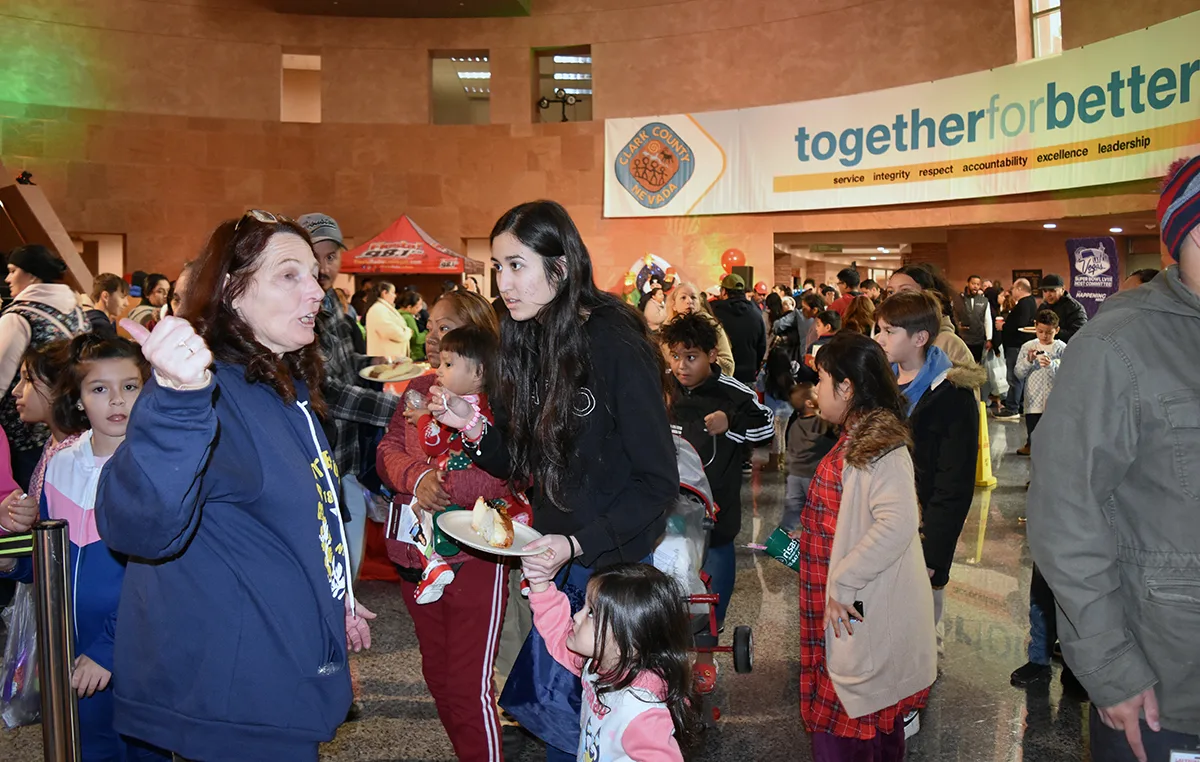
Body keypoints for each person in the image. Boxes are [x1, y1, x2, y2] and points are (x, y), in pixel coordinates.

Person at [95, 211, 374, 761]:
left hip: (277, 677)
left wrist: (332, 596)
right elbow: (139, 527)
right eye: (288, 275)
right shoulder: (205, 389)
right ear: (232, 290)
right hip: (235, 698)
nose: (316, 290)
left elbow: (291, 519)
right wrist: (176, 399)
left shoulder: (279, 383)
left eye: (314, 274)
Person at [430, 200, 677, 760]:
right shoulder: (525, 337)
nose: (504, 282)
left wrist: (576, 544)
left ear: (560, 267)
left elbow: (657, 481)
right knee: (562, 727)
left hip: (609, 567)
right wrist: (472, 426)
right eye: (498, 267)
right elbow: (522, 463)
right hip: (553, 557)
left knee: (610, 728)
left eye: (517, 265)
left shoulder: (614, 340)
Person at [1029, 154, 1200, 762]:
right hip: (1168, 688)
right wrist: (1110, 665)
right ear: (1188, 236)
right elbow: (1063, 513)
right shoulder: (1118, 345)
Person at [376, 289, 521, 761]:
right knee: (438, 677)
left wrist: (446, 486)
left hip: (473, 555)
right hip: (415, 553)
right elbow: (387, 452)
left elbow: (511, 472)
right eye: (432, 327)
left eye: (446, 328)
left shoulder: (502, 400)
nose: (434, 339)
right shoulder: (418, 389)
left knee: (467, 682)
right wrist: (416, 479)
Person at [0, 334, 159, 761]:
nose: (116, 401)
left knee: (147, 750)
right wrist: (14, 560)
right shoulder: (60, 464)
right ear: (78, 398)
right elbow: (52, 563)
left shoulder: (156, 469)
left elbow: (161, 575)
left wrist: (108, 649)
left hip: (142, 653)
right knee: (90, 749)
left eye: (129, 386)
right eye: (99, 389)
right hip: (73, 654)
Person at [798, 332, 936, 758]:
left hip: (855, 606)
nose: (814, 391)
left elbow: (898, 523)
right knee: (858, 717)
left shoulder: (879, 447)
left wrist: (843, 581)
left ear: (846, 387)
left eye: (821, 380)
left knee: (853, 723)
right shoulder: (857, 439)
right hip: (842, 605)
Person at [874, 291, 983, 657]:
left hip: (922, 525)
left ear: (919, 338)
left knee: (919, 632)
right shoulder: (878, 385)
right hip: (879, 518)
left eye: (889, 331)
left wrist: (935, 553)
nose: (879, 339)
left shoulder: (951, 393)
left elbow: (954, 481)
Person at [299, 213, 400, 573]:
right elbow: (326, 390)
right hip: (316, 464)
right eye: (316, 257)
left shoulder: (332, 304)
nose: (324, 268)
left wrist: (379, 361)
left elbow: (343, 363)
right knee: (327, 572)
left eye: (331, 257)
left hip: (348, 459)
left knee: (350, 567)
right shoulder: (297, 310)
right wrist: (398, 407)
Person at [522, 562, 700, 761]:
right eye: (584, 606)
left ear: (626, 640)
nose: (577, 616)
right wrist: (540, 585)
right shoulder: (599, 664)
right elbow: (558, 635)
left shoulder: (640, 710)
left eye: (591, 613)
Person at [406, 325, 532, 603]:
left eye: (449, 364)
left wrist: (424, 418)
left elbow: (432, 443)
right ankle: (530, 572)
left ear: (479, 372)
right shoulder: (491, 405)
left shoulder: (453, 406)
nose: (439, 369)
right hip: (488, 491)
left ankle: (433, 562)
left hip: (461, 487)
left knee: (422, 509)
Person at [660, 313, 773, 626]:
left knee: (717, 550)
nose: (682, 365)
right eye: (676, 357)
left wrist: (731, 422)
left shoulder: (734, 392)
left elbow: (766, 429)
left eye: (692, 357)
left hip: (716, 500)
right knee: (669, 558)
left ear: (711, 355)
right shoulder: (662, 387)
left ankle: (713, 626)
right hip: (668, 499)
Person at [0, 244, 89, 489]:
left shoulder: (18, 316)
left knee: (27, 503)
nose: (8, 278)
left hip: (22, 434)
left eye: (12, 270)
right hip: (70, 425)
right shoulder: (78, 312)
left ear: (32, 274)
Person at [0, 343, 76, 536]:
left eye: (27, 379)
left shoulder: (75, 455)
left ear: (59, 387)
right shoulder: (53, 445)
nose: (16, 391)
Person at [887, 265, 975, 369]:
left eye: (905, 291)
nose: (895, 298)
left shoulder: (948, 343)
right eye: (890, 292)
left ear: (928, 296)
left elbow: (968, 382)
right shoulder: (882, 339)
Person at [779, 382, 836, 533]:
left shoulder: (795, 426)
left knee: (792, 510)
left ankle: (783, 538)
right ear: (809, 403)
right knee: (817, 511)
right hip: (813, 476)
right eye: (816, 394)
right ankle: (813, 536)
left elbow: (790, 449)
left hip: (794, 475)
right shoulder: (822, 423)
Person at [1013, 310, 1066, 457]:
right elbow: (1018, 373)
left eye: (1049, 332)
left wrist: (1052, 365)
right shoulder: (1028, 346)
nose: (1044, 336)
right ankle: (1031, 446)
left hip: (1053, 399)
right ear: (1035, 327)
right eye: (1040, 331)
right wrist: (1028, 361)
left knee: (1051, 432)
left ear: (1057, 330)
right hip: (1033, 398)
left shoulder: (1062, 348)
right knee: (1033, 428)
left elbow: (1067, 374)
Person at [664, 281, 735, 376]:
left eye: (693, 297)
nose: (689, 301)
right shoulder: (666, 331)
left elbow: (729, 366)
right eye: (683, 297)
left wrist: (702, 359)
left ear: (699, 303)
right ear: (674, 305)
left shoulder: (711, 326)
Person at [711, 273, 767, 386]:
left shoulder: (714, 312)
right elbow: (762, 346)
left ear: (723, 291)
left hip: (721, 375)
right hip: (747, 375)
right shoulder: (756, 314)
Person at [994, 278, 1038, 421]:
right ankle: (1018, 405)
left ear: (1019, 289)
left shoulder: (1024, 304)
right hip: (1020, 345)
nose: (1011, 291)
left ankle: (1012, 408)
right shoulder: (1030, 302)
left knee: (1015, 378)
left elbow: (1020, 324)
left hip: (1016, 346)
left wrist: (1004, 327)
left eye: (1013, 288)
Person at [364, 281, 413, 359]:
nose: (395, 296)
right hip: (386, 359)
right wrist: (408, 331)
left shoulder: (383, 309)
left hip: (390, 358)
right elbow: (395, 333)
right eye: (393, 292)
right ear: (384, 293)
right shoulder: (378, 310)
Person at [1035, 273, 1087, 342]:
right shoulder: (1043, 306)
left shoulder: (1075, 308)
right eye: (1045, 291)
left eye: (1052, 290)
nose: (1048, 294)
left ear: (1063, 289)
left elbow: (1079, 334)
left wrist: (1051, 331)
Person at [958, 274, 993, 363]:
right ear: (968, 283)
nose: (975, 286)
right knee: (964, 364)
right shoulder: (959, 299)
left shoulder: (984, 301)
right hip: (963, 339)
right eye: (973, 283)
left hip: (979, 339)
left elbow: (987, 320)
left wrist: (989, 338)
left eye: (978, 284)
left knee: (977, 364)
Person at [85, 274, 129, 339]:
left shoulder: (90, 317)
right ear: (105, 296)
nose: (127, 303)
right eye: (122, 297)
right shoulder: (100, 325)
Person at [396, 290, 429, 361]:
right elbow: (416, 339)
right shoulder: (408, 317)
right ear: (409, 307)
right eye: (417, 307)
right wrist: (427, 332)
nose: (420, 309)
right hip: (415, 353)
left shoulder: (397, 314)